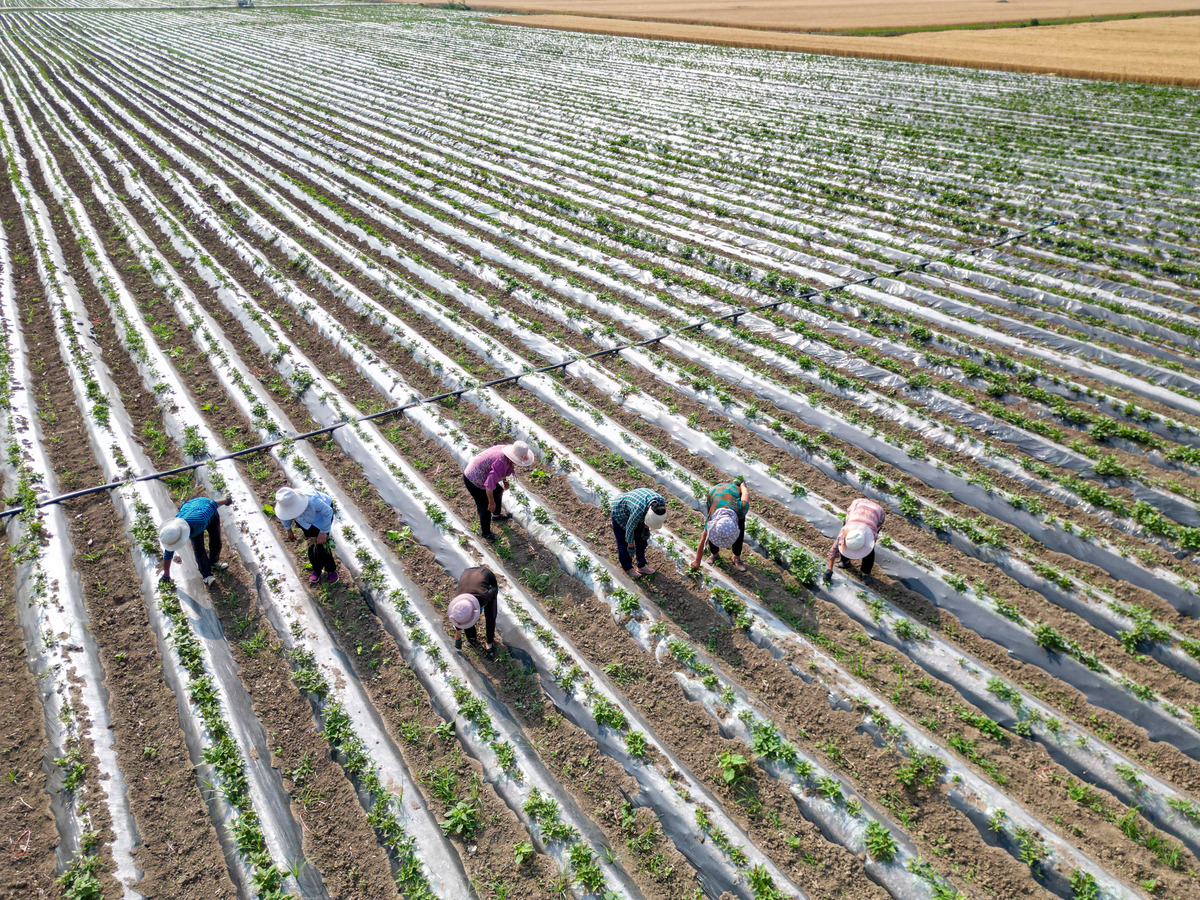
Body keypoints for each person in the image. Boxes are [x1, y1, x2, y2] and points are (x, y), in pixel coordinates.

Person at [462, 441, 535, 540]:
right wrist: (491, 503)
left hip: (481, 473)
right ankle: (486, 533)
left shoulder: (505, 453)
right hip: (472, 479)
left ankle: (496, 516)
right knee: (485, 506)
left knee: (498, 490)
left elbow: (498, 471)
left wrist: (504, 480)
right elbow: (489, 487)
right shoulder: (501, 464)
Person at [159, 496, 233, 586]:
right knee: (199, 549)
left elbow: (213, 504)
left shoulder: (200, 518)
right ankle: (207, 576)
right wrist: (166, 575)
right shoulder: (172, 533)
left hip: (208, 513)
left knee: (215, 540)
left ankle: (214, 562)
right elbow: (168, 553)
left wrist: (227, 500)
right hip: (190, 510)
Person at [276, 486, 338, 584]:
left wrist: (323, 532)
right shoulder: (284, 503)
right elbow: (284, 516)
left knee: (322, 544)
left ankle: (330, 570)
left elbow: (328, 512)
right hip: (304, 521)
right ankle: (316, 569)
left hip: (320, 518)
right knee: (312, 545)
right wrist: (289, 530)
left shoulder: (313, 501)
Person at [692, 476, 750, 572]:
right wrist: (697, 560)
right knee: (710, 533)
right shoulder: (713, 518)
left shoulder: (741, 508)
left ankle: (736, 557)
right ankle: (714, 554)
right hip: (716, 493)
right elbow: (703, 540)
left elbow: (745, 493)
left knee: (740, 532)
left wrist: (743, 486)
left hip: (733, 494)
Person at [824, 497, 886, 584]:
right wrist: (829, 569)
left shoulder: (871, 535)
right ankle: (845, 562)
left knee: (869, 551)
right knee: (842, 546)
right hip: (857, 507)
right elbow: (833, 550)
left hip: (876, 513)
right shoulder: (844, 533)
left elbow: (870, 546)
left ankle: (866, 573)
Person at [611, 487, 667, 577]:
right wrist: (631, 544)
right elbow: (629, 529)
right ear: (648, 512)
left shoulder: (661, 502)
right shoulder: (638, 511)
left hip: (636, 507)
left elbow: (650, 519)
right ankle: (627, 567)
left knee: (642, 541)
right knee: (624, 542)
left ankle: (641, 566)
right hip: (620, 511)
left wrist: (645, 527)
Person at [448, 566, 499, 660]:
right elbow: (460, 618)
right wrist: (458, 636)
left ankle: (489, 643)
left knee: (490, 615)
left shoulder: (484, 596)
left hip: (486, 575)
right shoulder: (457, 604)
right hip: (467, 573)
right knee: (466, 616)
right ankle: (471, 637)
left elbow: (495, 589)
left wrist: (491, 591)